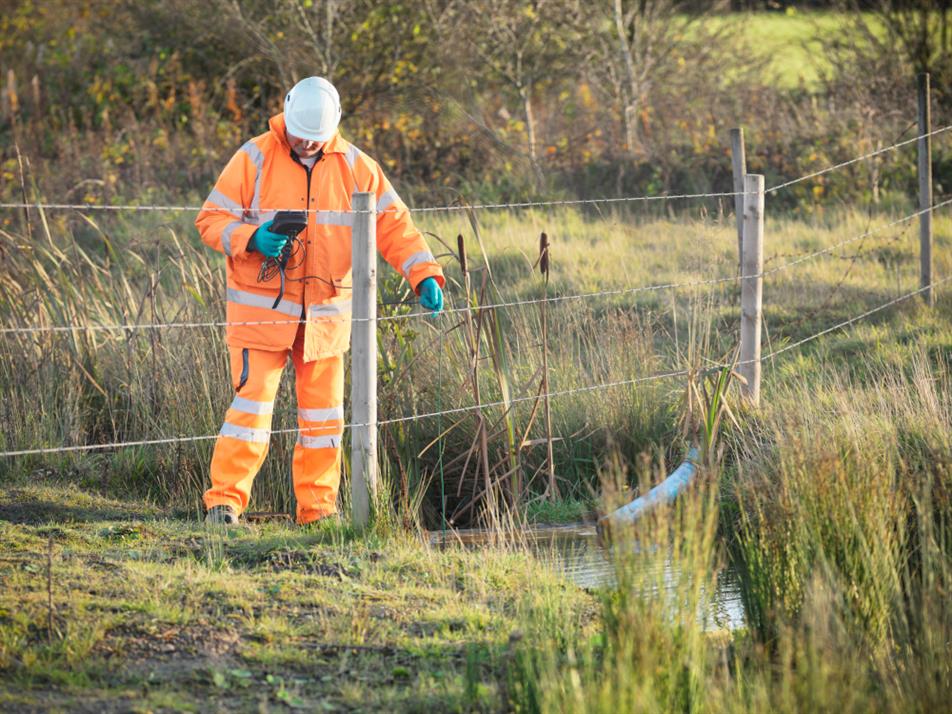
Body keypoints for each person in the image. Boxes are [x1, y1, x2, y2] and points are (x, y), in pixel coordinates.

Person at [195, 76, 445, 526]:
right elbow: (211, 219)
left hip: (325, 320)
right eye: (298, 136)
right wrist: (254, 237)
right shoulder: (253, 156)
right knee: (250, 412)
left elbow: (395, 226)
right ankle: (224, 504)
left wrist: (423, 273)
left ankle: (318, 514)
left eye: (315, 139)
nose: (305, 145)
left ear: (333, 128)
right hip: (261, 316)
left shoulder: (358, 166)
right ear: (285, 116)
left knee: (324, 422)